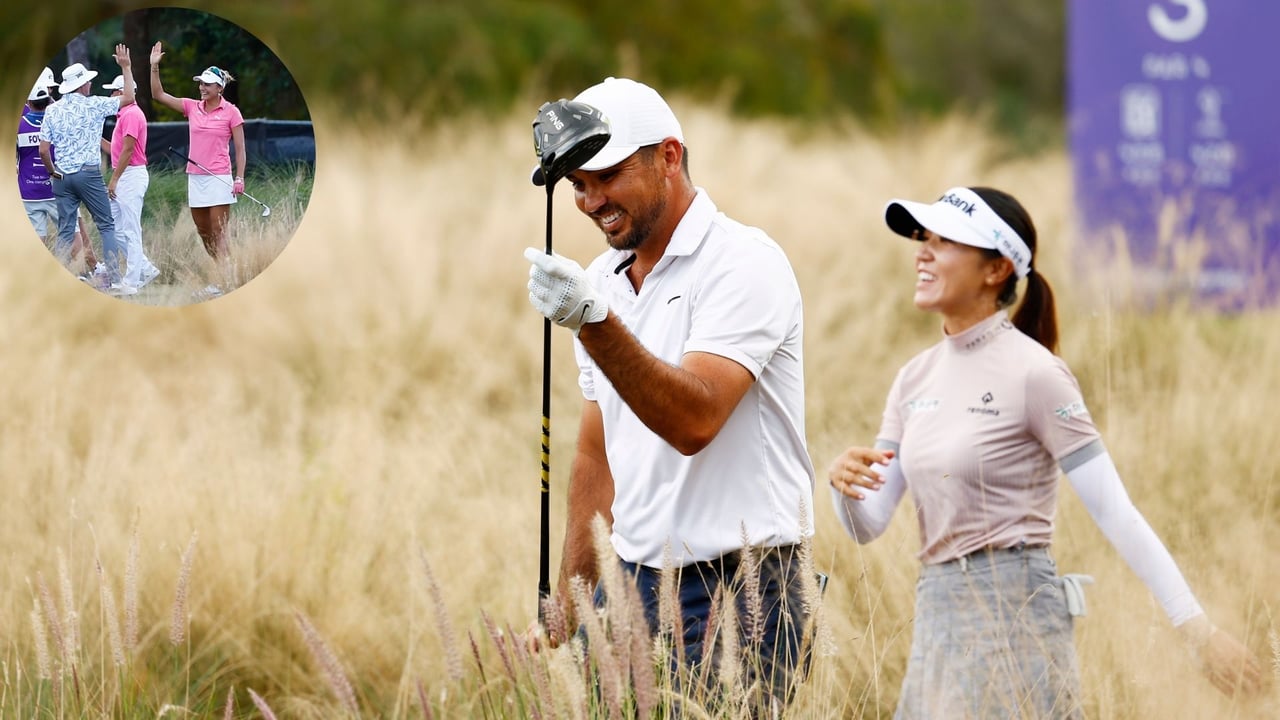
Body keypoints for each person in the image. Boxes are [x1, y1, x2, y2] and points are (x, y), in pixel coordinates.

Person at [827, 186, 1265, 718]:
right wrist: (844, 490)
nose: (922, 251)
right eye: (924, 238)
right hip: (937, 614)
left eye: (944, 241)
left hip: (1017, 615)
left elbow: (1116, 513)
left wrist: (1197, 631)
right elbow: (867, 524)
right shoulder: (912, 378)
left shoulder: (1036, 373)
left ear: (996, 270)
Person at [522, 77, 817, 712]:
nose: (590, 199)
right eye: (576, 184)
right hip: (630, 582)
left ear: (669, 156)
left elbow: (696, 420)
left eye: (606, 175)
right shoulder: (601, 280)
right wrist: (569, 604)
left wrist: (594, 323)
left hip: (743, 590)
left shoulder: (743, 262)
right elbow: (597, 454)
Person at [148, 42, 245, 298]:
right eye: (200, 83)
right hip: (196, 178)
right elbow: (159, 95)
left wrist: (239, 177)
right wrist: (154, 67)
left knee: (219, 232)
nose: (202, 87)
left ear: (219, 88)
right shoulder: (192, 107)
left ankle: (225, 282)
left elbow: (241, 150)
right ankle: (226, 275)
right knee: (204, 234)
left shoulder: (231, 112)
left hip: (220, 178)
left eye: (207, 84)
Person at [39, 49, 136, 295]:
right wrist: (126, 67)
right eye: (88, 81)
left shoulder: (52, 110)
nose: (91, 83)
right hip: (88, 174)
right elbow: (129, 97)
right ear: (81, 85)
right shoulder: (94, 105)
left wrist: (53, 173)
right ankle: (114, 281)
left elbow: (43, 150)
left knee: (64, 230)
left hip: (62, 176)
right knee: (106, 225)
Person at [101, 74, 159, 290]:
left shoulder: (132, 114)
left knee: (131, 230)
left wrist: (114, 180)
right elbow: (114, 151)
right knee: (114, 227)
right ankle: (145, 268)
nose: (111, 95)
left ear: (121, 92)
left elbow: (128, 150)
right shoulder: (123, 114)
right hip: (124, 174)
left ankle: (132, 281)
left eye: (114, 92)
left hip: (131, 175)